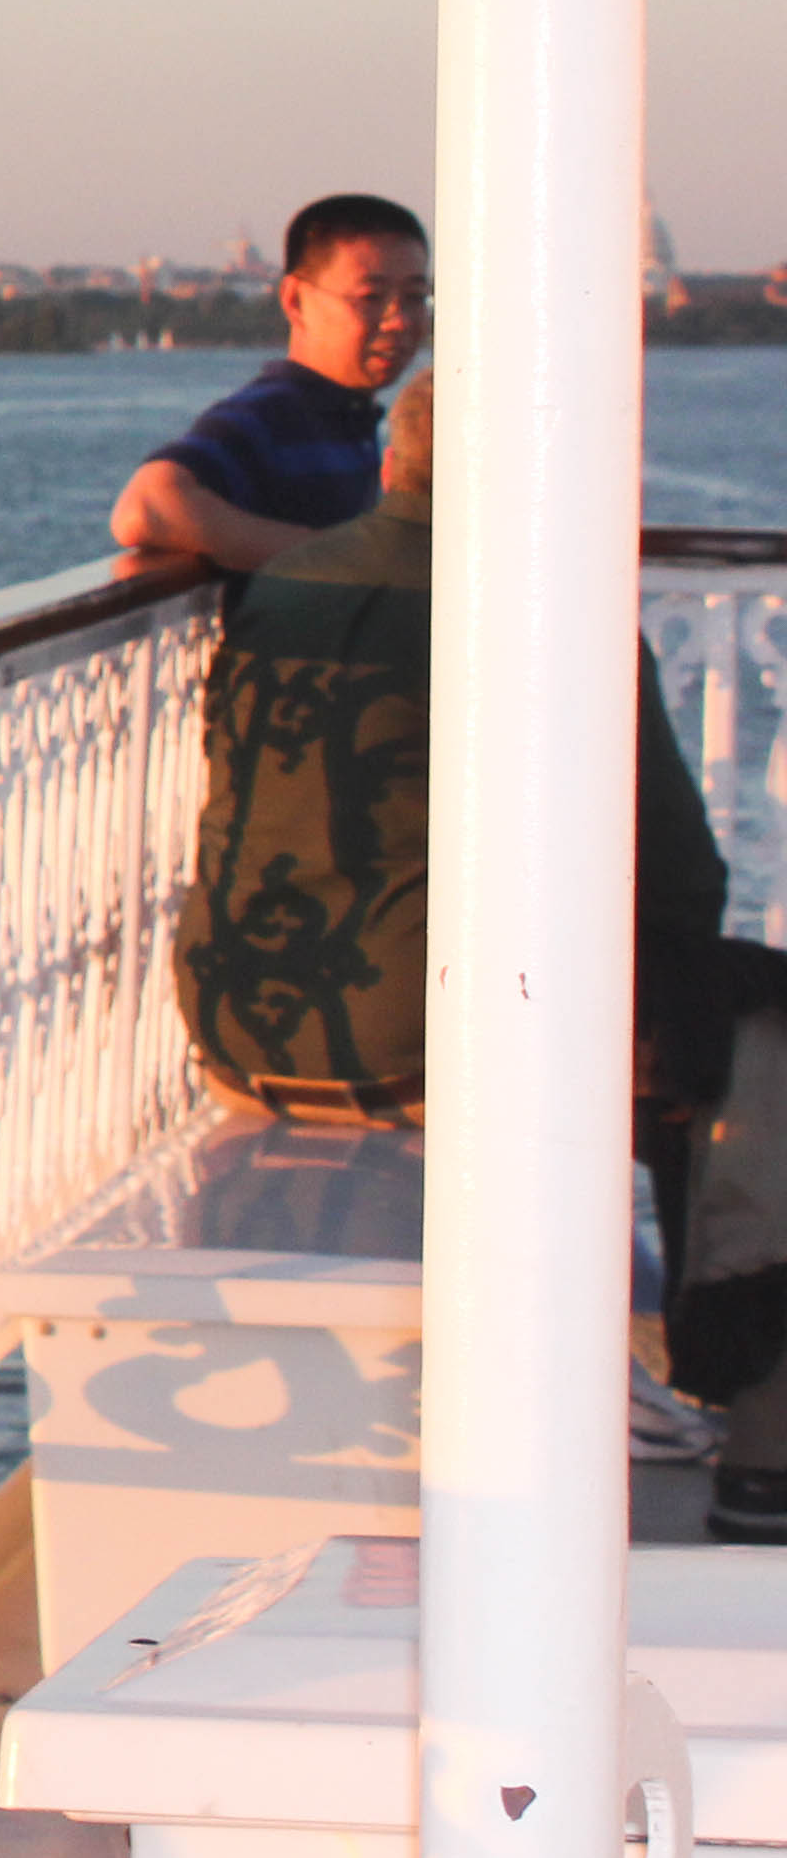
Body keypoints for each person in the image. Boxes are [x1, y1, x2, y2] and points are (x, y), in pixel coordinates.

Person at [173, 369, 787, 1517]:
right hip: (414, 1048)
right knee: (746, 1023)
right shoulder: (546, 610)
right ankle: (751, 1427)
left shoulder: (284, 582)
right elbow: (681, 876)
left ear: (393, 465)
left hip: (237, 1025)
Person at [108, 193, 431, 569]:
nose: (399, 320)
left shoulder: (350, 417)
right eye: (371, 297)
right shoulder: (271, 417)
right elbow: (145, 508)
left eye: (414, 297)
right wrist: (335, 560)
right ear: (295, 300)